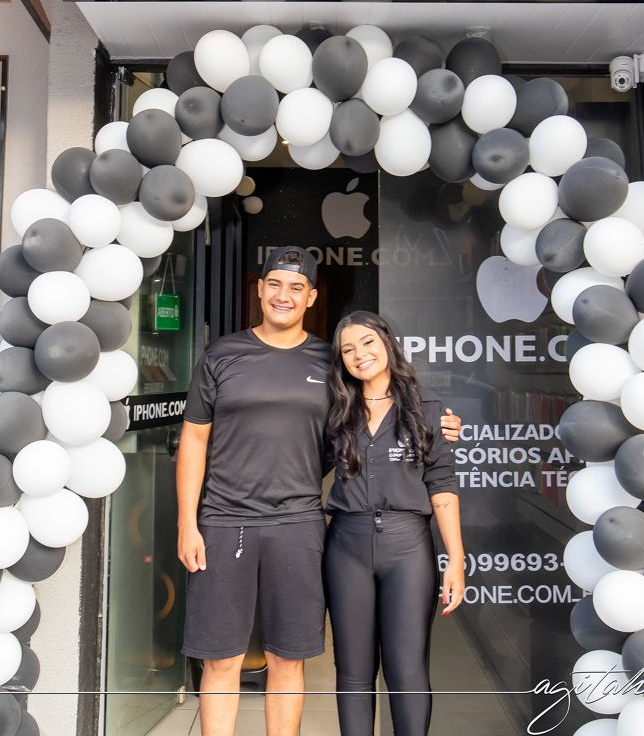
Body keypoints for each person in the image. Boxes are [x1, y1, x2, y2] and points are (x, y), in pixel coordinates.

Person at [177, 246, 461, 736]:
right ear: (259, 289)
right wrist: (188, 521)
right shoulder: (221, 354)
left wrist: (438, 423)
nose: (283, 295)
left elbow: (378, 404)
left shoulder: (330, 363)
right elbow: (194, 438)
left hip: (299, 525)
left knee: (288, 659)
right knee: (220, 659)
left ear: (310, 297)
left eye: (296, 287)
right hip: (224, 521)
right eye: (274, 284)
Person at [324, 310, 465, 736]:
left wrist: (456, 560)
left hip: (408, 548)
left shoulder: (428, 408)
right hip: (346, 545)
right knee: (353, 672)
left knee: (406, 672)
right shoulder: (335, 409)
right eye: (348, 349)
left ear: (387, 341)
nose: (359, 355)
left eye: (367, 342)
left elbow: (442, 486)